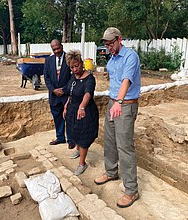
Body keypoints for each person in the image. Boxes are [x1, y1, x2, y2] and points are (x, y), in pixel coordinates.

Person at [94, 27, 141, 208]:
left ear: (119, 39)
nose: (108, 48)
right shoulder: (112, 59)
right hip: (114, 103)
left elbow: (126, 81)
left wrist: (119, 103)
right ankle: (111, 172)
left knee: (125, 147)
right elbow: (115, 77)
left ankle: (131, 190)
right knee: (110, 141)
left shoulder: (131, 57)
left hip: (125, 105)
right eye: (106, 45)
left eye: (111, 44)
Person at [63, 50, 99, 176]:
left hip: (85, 112)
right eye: (72, 67)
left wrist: (82, 107)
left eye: (76, 65)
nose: (74, 69)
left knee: (84, 136)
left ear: (81, 63)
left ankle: (82, 163)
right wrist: (66, 106)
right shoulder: (73, 76)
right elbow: (70, 92)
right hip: (73, 109)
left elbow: (87, 93)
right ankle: (78, 150)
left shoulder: (89, 78)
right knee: (74, 132)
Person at [44, 39, 75, 149]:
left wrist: (64, 89)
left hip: (66, 95)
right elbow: (46, 78)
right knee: (57, 117)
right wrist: (54, 90)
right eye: (54, 49)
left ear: (62, 46)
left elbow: (73, 76)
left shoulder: (69, 58)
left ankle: (71, 140)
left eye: (58, 48)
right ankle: (60, 137)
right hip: (54, 96)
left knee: (69, 117)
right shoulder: (48, 61)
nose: (57, 51)